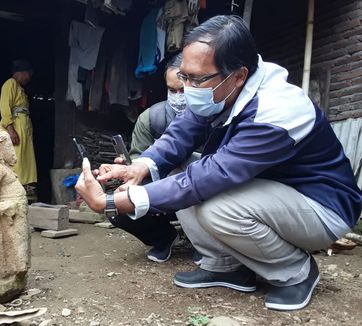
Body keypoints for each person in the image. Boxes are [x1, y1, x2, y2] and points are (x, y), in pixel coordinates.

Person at [76, 15, 361, 311]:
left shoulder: (276, 111)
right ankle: (226, 267)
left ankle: (295, 272)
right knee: (178, 169)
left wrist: (109, 203)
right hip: (271, 192)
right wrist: (140, 166)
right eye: (184, 76)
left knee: (216, 205)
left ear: (238, 75)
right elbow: (180, 135)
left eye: (195, 79)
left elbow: (210, 177)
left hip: (322, 206)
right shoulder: (219, 88)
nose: (187, 88)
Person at [109, 54, 187, 263]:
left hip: (204, 188)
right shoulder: (152, 118)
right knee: (115, 204)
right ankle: (164, 238)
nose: (178, 96)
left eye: (184, 90)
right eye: (172, 90)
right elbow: (137, 160)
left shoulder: (217, 116)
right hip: (163, 188)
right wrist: (131, 174)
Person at [0, 60, 37, 187]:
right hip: (15, 129)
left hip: (23, 130)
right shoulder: (10, 84)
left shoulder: (21, 89)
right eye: (28, 75)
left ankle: (25, 187)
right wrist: (10, 130)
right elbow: (4, 107)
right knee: (16, 159)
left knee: (24, 160)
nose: (28, 78)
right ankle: (14, 187)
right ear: (20, 73)